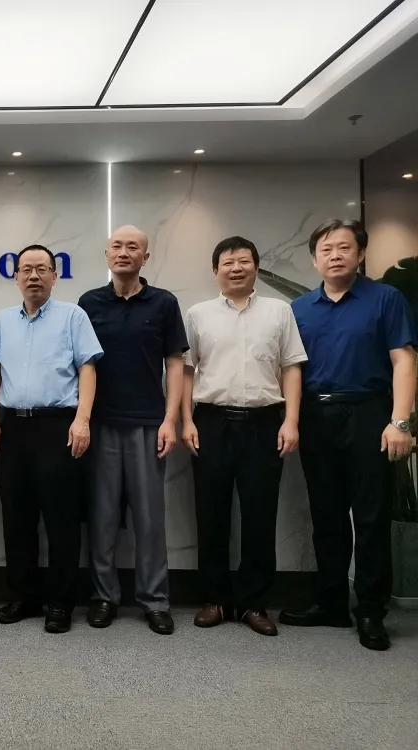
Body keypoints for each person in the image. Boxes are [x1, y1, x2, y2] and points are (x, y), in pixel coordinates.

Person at [281, 219, 417, 651]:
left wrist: (400, 421)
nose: (335, 255)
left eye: (344, 247)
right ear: (314, 259)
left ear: (360, 254)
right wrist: (291, 419)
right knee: (327, 514)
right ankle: (331, 602)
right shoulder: (300, 308)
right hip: (317, 416)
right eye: (326, 249)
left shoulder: (386, 299)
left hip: (369, 413)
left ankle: (371, 610)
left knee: (372, 515)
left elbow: (404, 360)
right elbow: (291, 370)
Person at [181, 236, 307, 637]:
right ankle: (214, 599)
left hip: (264, 422)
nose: (236, 268)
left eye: (244, 261)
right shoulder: (198, 314)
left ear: (256, 266)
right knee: (210, 513)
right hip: (211, 421)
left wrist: (291, 420)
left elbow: (291, 367)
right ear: (215, 270)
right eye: (228, 263)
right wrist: (186, 420)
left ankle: (254, 602)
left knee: (260, 514)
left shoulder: (279, 311)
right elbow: (186, 371)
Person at [0, 244, 103, 634]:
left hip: (59, 427)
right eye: (26, 269)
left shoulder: (73, 316)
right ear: (16, 277)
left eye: (41, 269)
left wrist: (82, 419)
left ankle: (61, 602)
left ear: (55, 275)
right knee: (16, 517)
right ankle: (24, 596)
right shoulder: (2, 321)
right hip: (13, 428)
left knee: (61, 518)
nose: (33, 276)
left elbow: (88, 368)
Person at [78, 225, 186, 636]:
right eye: (117, 246)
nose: (124, 252)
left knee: (150, 519)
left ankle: (155, 600)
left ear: (146, 257)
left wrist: (170, 419)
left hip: (148, 424)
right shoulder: (89, 303)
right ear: (107, 255)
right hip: (101, 424)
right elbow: (83, 364)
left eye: (133, 247)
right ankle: (104, 596)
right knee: (102, 517)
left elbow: (174, 363)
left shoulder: (163, 303)